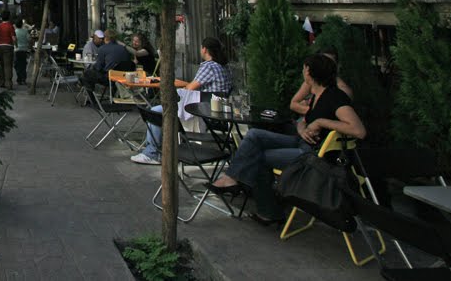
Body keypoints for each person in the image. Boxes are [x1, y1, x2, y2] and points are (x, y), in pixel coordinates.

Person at [208, 53, 366, 225]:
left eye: (305, 69)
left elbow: (358, 130)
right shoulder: (316, 95)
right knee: (254, 136)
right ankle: (233, 178)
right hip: (301, 141)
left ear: (310, 74)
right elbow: (304, 121)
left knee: (260, 158)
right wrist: (303, 128)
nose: (303, 72)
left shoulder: (334, 97)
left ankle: (270, 212)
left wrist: (321, 122)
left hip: (313, 156)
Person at [131, 37, 232, 165]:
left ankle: (152, 153)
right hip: (219, 111)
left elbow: (190, 88)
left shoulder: (209, 66)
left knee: (155, 111)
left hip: (202, 111)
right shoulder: (225, 67)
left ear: (204, 49)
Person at [0, 10, 16, 90]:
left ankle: (1, 82)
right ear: (9, 17)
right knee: (7, 65)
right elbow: (13, 38)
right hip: (7, 46)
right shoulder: (10, 26)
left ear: (1, 17)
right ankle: (8, 84)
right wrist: (15, 44)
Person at [14, 19, 32, 85]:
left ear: (15, 25)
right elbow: (29, 39)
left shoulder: (15, 31)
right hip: (24, 50)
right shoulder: (25, 31)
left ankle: (19, 78)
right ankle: (23, 79)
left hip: (17, 50)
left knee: (17, 65)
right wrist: (29, 47)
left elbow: (14, 40)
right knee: (23, 65)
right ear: (22, 24)